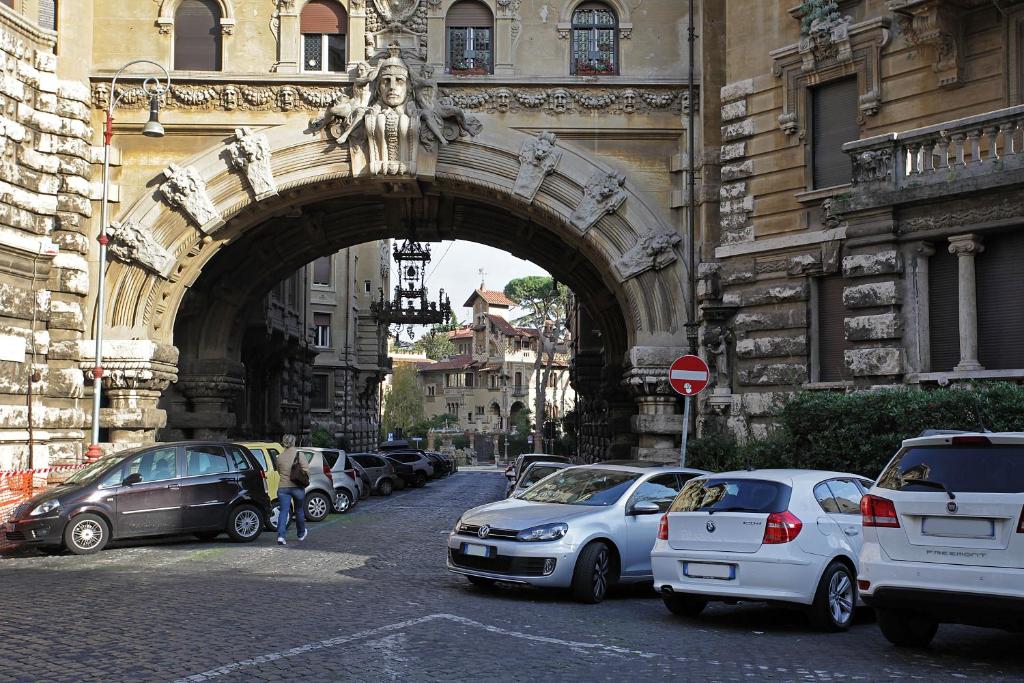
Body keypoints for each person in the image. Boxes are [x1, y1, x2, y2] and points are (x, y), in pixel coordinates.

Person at [275, 434, 310, 546]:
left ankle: (281, 536)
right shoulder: (299, 454)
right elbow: (306, 470)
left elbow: (279, 471)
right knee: (299, 510)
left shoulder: (279, 456)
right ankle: (300, 534)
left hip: (283, 487)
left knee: (283, 511)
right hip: (297, 487)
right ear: (294, 442)